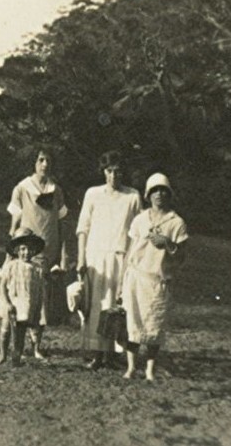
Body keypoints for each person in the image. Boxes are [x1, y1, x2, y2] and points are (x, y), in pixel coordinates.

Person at [75, 150, 142, 370]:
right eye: (109, 171)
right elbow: (83, 228)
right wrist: (81, 257)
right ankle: (96, 353)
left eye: (118, 171)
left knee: (116, 306)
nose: (113, 176)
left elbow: (138, 231)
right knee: (96, 305)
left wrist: (134, 260)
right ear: (103, 172)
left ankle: (112, 353)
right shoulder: (93, 194)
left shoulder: (132, 196)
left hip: (122, 257)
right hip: (96, 256)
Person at [121, 173, 189, 381]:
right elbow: (130, 250)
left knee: (154, 325)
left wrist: (168, 244)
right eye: (155, 190)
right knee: (133, 323)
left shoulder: (176, 222)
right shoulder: (140, 219)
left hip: (158, 281)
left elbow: (181, 257)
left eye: (163, 190)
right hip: (136, 278)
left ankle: (150, 368)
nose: (159, 194)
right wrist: (122, 281)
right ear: (148, 195)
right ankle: (131, 367)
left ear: (169, 194)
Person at [6, 146, 69, 358]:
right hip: (26, 252)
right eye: (41, 159)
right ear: (34, 162)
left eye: (48, 160)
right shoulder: (22, 188)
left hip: (49, 252)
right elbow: (14, 223)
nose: (45, 164)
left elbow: (61, 224)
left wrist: (62, 254)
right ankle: (18, 346)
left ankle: (36, 346)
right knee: (22, 299)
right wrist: (11, 252)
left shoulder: (56, 190)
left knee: (42, 301)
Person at [0, 228, 45, 366]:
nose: (26, 252)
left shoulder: (37, 268)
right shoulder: (11, 266)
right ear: (16, 250)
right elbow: (3, 285)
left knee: (20, 333)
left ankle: (16, 358)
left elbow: (39, 291)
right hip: (11, 302)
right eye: (22, 249)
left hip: (26, 305)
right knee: (5, 330)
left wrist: (37, 308)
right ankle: (3, 355)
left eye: (29, 249)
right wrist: (7, 302)